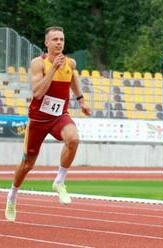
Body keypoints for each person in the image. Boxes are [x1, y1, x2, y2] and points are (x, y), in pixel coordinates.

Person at [5, 26, 91, 222]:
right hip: (38, 120)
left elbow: (73, 79)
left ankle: (59, 181)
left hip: (59, 116)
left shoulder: (70, 63)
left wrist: (81, 100)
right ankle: (12, 196)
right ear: (46, 43)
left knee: (74, 139)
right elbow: (37, 93)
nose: (59, 42)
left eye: (61, 39)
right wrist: (53, 69)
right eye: (55, 40)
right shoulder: (38, 64)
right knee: (28, 164)